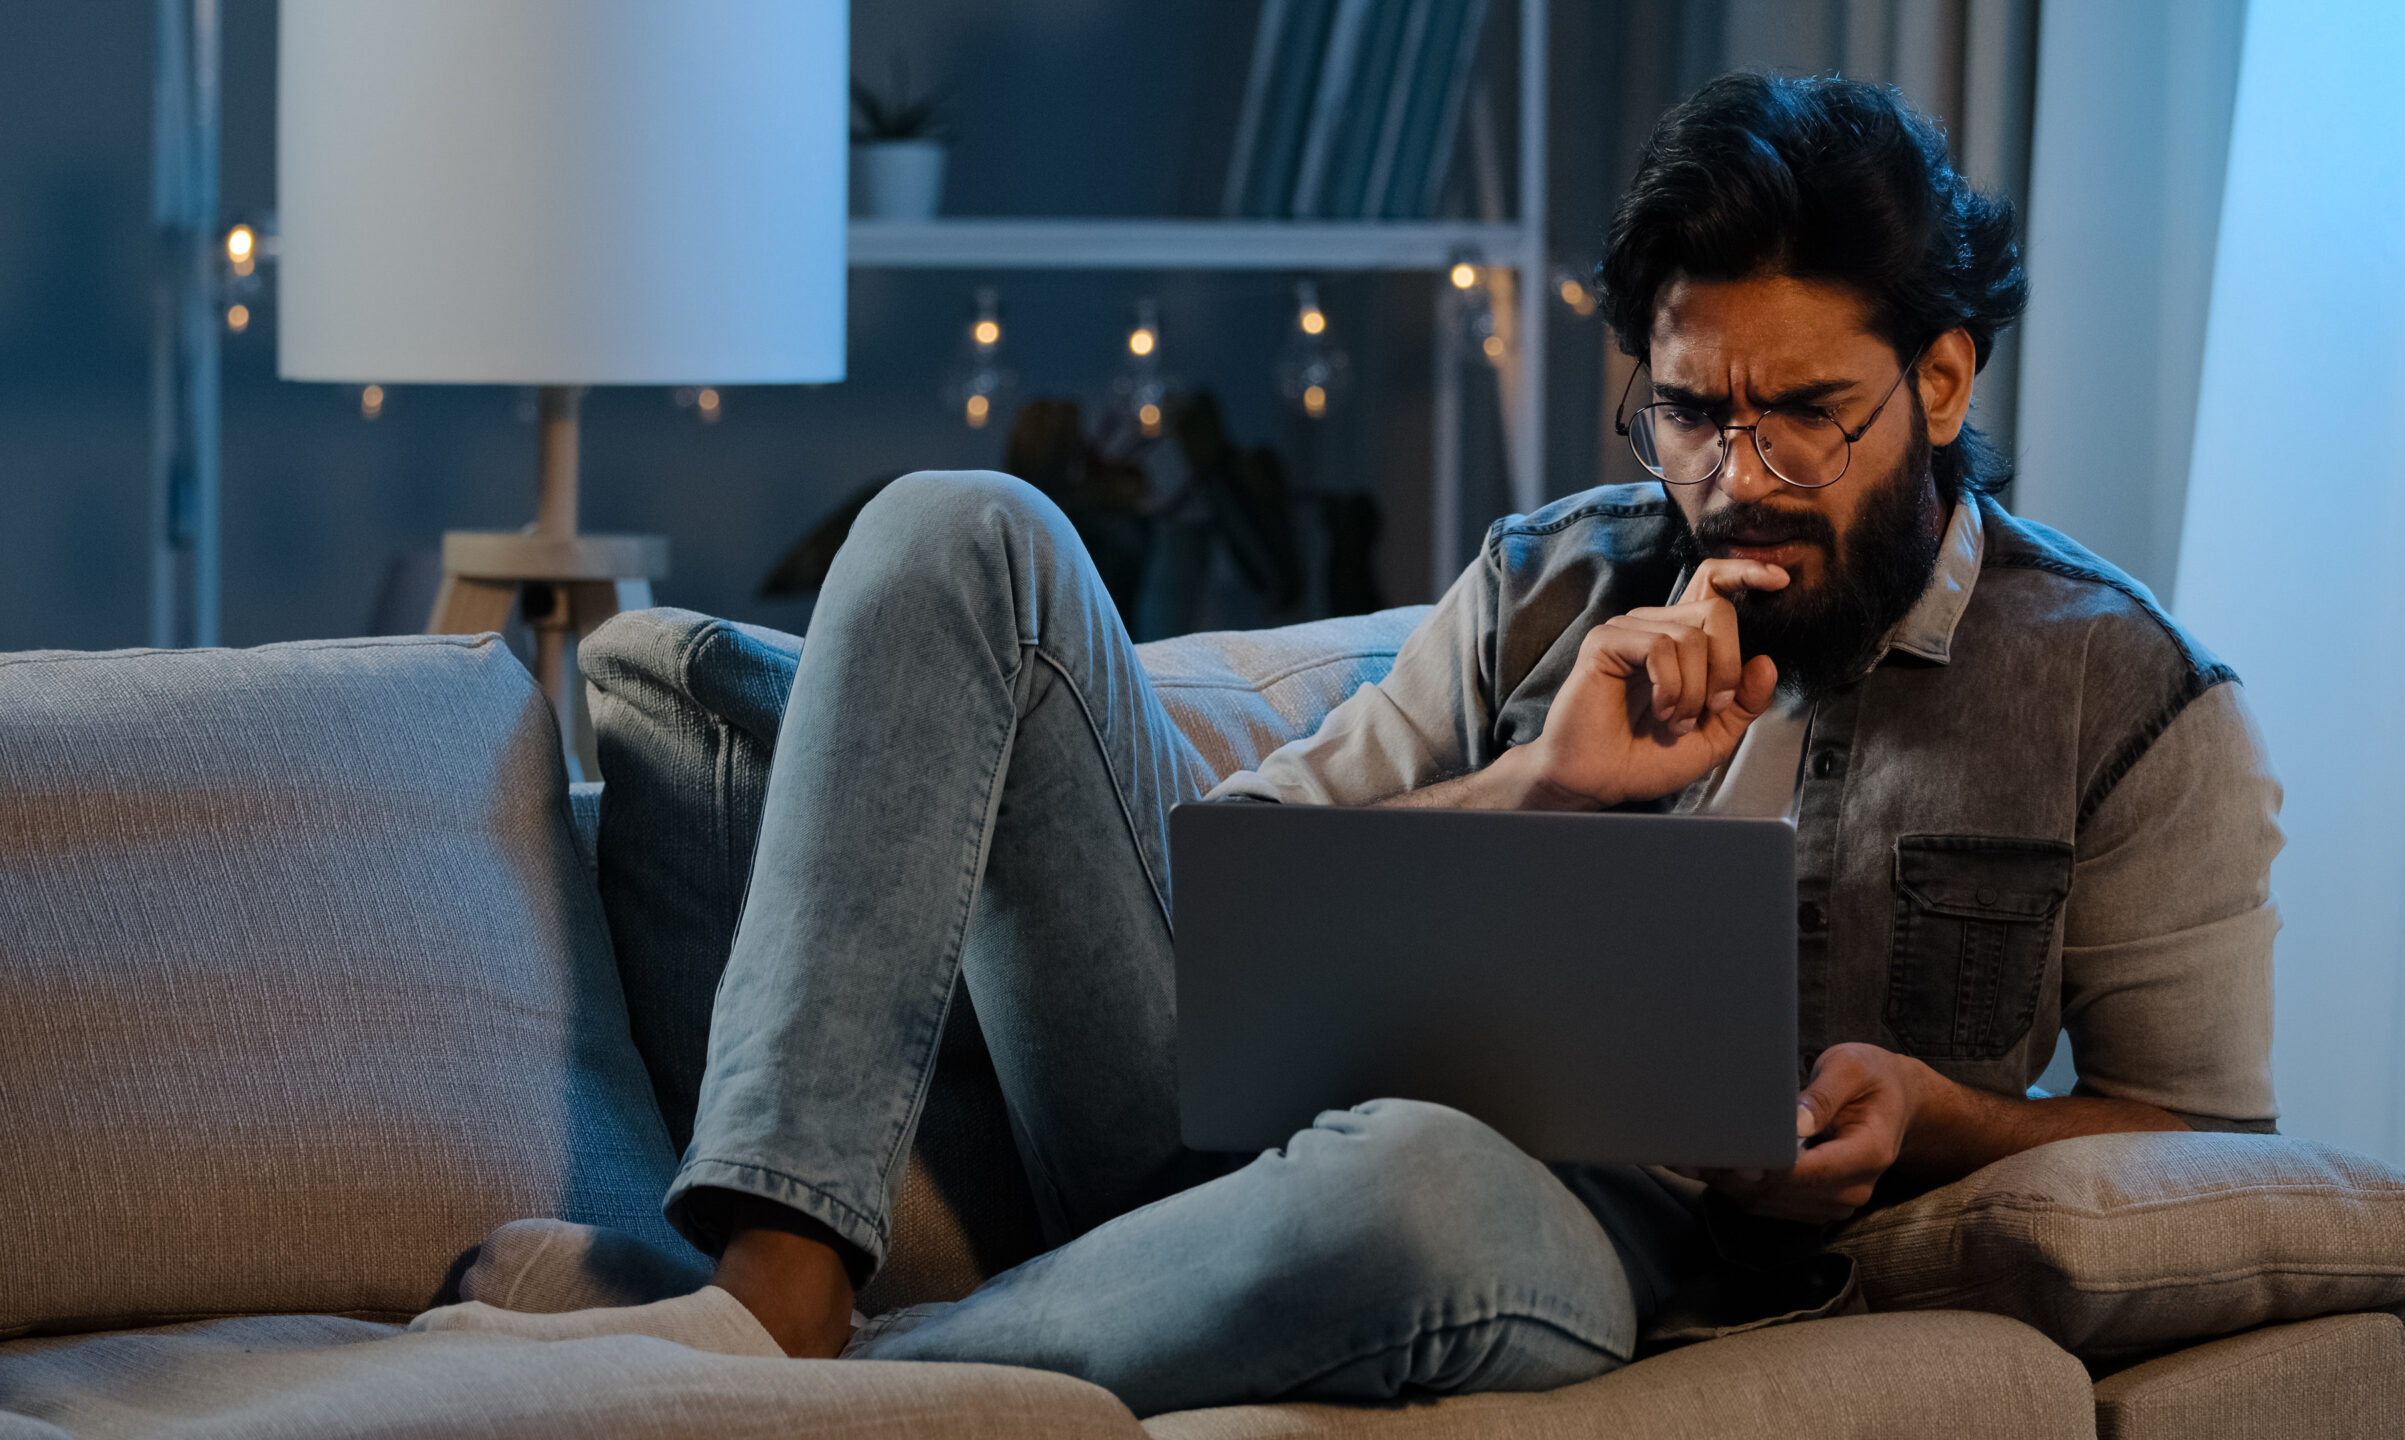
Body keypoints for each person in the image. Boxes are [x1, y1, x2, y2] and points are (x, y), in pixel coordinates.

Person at [416, 72, 2281, 1417]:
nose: (1737, 481)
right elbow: (1219, 907)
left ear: (1944, 381)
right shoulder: (1552, 586)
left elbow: (2207, 1135)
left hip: (1563, 1235)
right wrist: (1535, 790)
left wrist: (1938, 1116)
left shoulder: (2129, 701)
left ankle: (812, 1382)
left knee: (1414, 1185)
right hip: (1209, 1139)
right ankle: (776, 1274)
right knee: (955, 527)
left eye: (1809, 415)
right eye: (1691, 415)